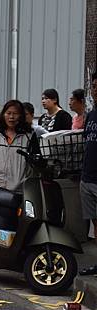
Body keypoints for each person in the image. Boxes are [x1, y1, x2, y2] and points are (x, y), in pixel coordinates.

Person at [0, 100, 40, 192]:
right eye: (8, 113)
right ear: (3, 115)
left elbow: (36, 164)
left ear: (21, 116)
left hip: (19, 190)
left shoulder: (29, 137)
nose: (11, 117)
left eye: (15, 114)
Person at [79, 72, 97, 275]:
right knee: (95, 223)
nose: (95, 89)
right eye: (93, 86)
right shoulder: (91, 115)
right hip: (87, 177)